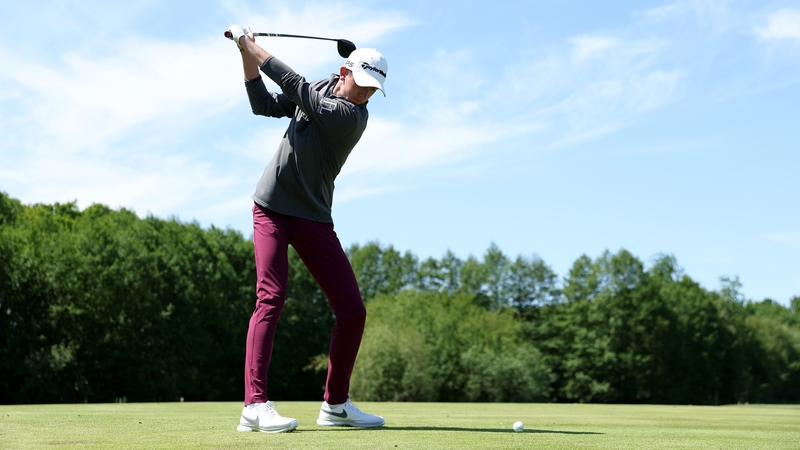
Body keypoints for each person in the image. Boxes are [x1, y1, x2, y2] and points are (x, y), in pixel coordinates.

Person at [225, 24, 388, 433]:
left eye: (373, 90)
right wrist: (244, 54)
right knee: (271, 298)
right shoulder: (321, 88)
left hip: (313, 216)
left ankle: (336, 405)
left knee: (352, 311)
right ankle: (254, 405)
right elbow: (262, 104)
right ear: (345, 71)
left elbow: (293, 84)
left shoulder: (351, 117)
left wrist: (248, 44)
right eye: (363, 84)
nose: (366, 94)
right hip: (272, 208)